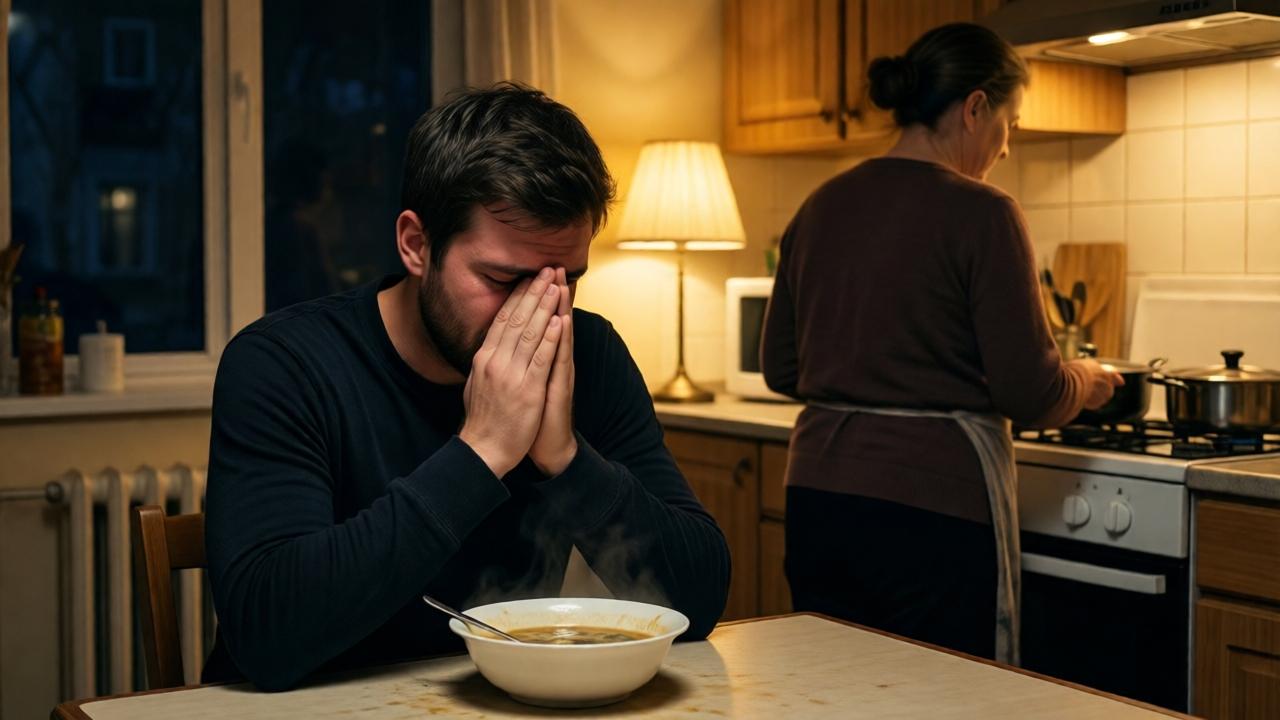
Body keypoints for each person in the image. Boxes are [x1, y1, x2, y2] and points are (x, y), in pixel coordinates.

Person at [203, 83, 731, 691]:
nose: (540, 312)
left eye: (567, 281)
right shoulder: (284, 364)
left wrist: (565, 459)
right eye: (504, 278)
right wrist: (481, 452)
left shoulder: (592, 356)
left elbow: (698, 602)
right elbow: (267, 638)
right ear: (416, 245)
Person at [761, 24, 1122, 665]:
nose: (1006, 148)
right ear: (976, 107)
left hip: (819, 497)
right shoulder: (984, 212)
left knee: (830, 689)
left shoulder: (820, 205)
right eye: (1009, 123)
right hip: (929, 510)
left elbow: (783, 368)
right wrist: (1086, 381)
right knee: (940, 696)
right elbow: (1029, 393)